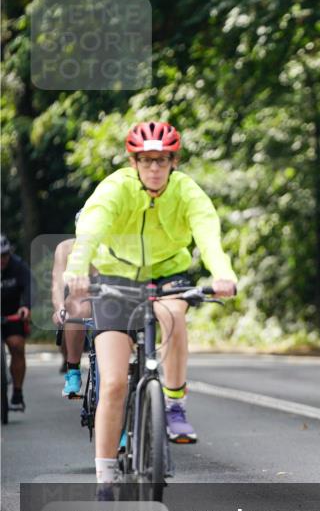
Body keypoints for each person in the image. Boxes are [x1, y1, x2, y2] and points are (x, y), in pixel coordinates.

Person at [64, 121, 237, 486]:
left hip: (167, 274)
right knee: (112, 383)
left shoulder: (187, 191)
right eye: (146, 161)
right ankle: (106, 480)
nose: (155, 169)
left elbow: (208, 233)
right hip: (115, 276)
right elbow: (92, 227)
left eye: (162, 160)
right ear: (134, 163)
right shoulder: (116, 188)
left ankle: (174, 404)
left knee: (174, 310)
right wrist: (78, 269)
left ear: (174, 161)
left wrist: (222, 273)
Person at [51, 214, 94, 397]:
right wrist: (59, 307)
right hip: (80, 299)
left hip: (108, 299)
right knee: (74, 305)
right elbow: (57, 283)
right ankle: (73, 369)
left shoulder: (112, 246)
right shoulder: (66, 248)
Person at [1, 234, 32, 411]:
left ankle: (17, 392)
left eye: (4, 255)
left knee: (17, 346)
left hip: (13, 314)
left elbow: (29, 286)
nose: (2, 260)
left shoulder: (18, 266)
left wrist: (25, 306)